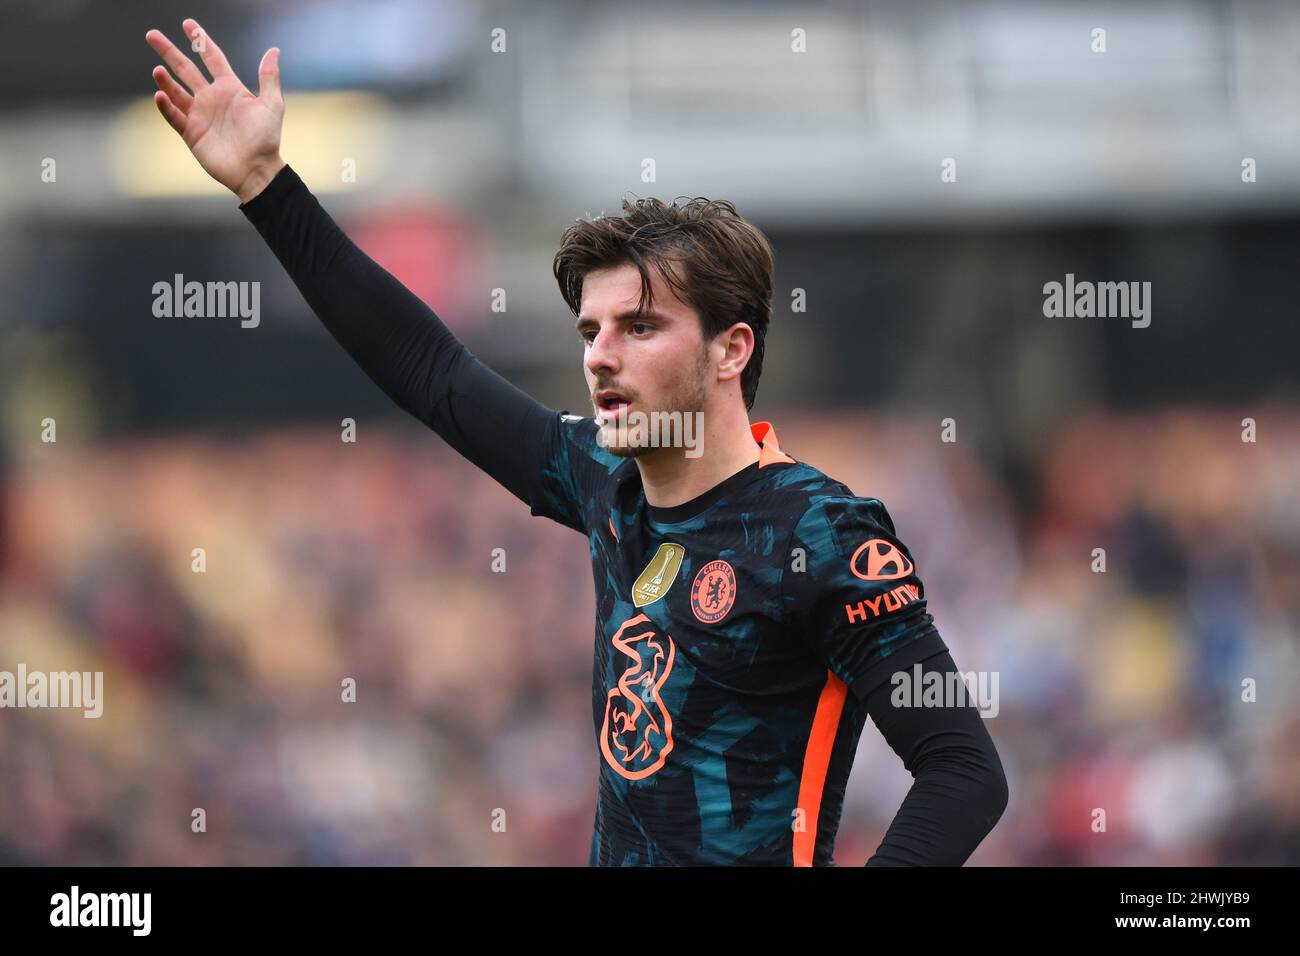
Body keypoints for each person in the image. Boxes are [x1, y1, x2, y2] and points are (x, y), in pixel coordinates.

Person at [145, 18, 1008, 866]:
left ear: (729, 349)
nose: (600, 354)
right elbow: (427, 368)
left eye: (638, 326)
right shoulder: (601, 480)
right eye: (590, 329)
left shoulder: (821, 535)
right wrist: (267, 186)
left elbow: (964, 774)